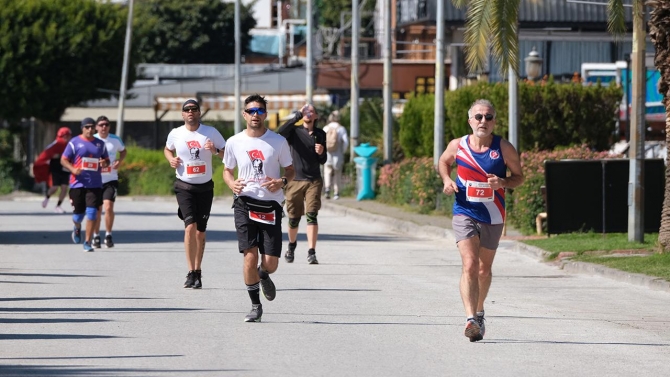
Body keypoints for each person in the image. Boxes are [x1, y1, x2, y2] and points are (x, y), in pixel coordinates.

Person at [438, 99, 524, 342]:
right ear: (470, 121)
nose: (483, 121)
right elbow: (443, 162)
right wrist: (447, 180)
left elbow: (519, 177)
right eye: (478, 117)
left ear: (494, 122)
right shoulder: (458, 145)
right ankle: (470, 319)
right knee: (470, 264)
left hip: (493, 215)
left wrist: (503, 182)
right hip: (464, 210)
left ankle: (480, 310)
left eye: (488, 117)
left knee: (484, 269)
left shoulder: (504, 148)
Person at [223, 94, 294, 322]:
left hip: (270, 205)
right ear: (244, 114)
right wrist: (231, 183)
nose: (255, 115)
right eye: (251, 111)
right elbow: (227, 170)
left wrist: (281, 181)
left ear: (265, 115)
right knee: (249, 257)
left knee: (270, 264)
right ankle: (255, 306)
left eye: (260, 111)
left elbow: (290, 170)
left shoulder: (278, 141)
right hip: (244, 203)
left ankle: (263, 276)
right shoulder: (234, 142)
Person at [164, 99, 226, 289]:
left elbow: (227, 154)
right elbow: (167, 149)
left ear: (199, 113)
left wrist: (215, 150)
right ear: (183, 114)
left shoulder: (211, 132)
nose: (190, 112)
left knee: (200, 231)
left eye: (194, 109)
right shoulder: (176, 133)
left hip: (205, 187)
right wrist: (171, 160)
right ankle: (190, 272)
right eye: (187, 110)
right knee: (190, 226)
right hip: (184, 186)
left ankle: (198, 271)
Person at [276, 103, 327, 264]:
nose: (308, 113)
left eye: (312, 111)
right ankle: (291, 246)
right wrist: (297, 115)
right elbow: (281, 132)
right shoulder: (295, 132)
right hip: (295, 180)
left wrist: (322, 152)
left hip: (313, 179)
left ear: (316, 116)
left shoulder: (320, 134)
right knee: (294, 218)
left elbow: (323, 160)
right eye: (306, 111)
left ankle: (311, 252)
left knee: (312, 215)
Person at [60, 118, 110, 252]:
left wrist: (104, 163)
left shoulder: (100, 144)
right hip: (77, 183)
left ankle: (87, 242)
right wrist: (73, 169)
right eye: (87, 127)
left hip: (94, 184)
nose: (90, 129)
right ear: (82, 128)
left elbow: (106, 160)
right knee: (78, 216)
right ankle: (77, 227)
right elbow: (64, 160)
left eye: (92, 127)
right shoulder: (74, 142)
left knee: (92, 213)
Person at [91, 116, 127, 249]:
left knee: (108, 207)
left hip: (110, 179)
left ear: (109, 126)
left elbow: (123, 151)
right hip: (95, 180)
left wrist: (119, 161)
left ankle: (108, 234)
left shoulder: (115, 139)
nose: (104, 127)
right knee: (97, 210)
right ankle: (96, 236)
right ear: (96, 127)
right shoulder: (92, 140)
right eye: (101, 125)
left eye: (106, 124)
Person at [34, 127, 72, 213]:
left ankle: (58, 206)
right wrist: (56, 155)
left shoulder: (70, 144)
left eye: (68, 136)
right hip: (56, 169)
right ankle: (47, 197)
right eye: (65, 136)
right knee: (54, 187)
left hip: (65, 169)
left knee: (64, 188)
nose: (67, 138)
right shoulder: (55, 144)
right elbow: (47, 155)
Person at [322, 110, 349, 200]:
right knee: (337, 172)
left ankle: (327, 190)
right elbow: (346, 142)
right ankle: (336, 193)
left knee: (327, 171)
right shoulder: (341, 129)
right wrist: (343, 151)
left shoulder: (326, 128)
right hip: (338, 153)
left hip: (327, 153)